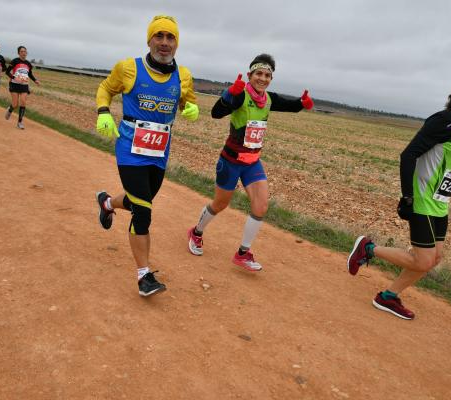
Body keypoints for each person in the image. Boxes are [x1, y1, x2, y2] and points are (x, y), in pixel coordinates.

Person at [347, 72, 451, 320]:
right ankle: (368, 248)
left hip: (440, 203)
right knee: (423, 260)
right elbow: (408, 155)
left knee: (434, 258)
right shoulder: (443, 121)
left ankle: (388, 296)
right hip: (422, 201)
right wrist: (407, 198)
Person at [94, 15, 199, 297]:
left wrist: (191, 108)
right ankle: (144, 276)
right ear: (149, 39)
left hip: (159, 151)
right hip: (130, 148)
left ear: (177, 43)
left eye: (171, 38)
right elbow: (105, 88)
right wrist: (103, 111)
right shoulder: (129, 68)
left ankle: (107, 203)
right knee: (143, 211)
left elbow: (189, 99)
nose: (164, 43)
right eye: (159, 36)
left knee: (140, 200)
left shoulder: (183, 75)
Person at [186, 54, 314, 271]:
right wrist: (228, 96)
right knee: (220, 204)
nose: (263, 78)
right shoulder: (240, 96)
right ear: (250, 75)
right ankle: (196, 232)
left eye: (267, 75)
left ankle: (243, 253)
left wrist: (302, 103)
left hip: (253, 162)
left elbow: (289, 105)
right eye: (259, 74)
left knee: (261, 205)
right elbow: (216, 113)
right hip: (231, 161)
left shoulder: (269, 99)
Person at [5, 46, 40, 129]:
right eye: (22, 51)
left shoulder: (28, 64)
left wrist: (35, 80)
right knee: (15, 104)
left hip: (24, 85)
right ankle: (10, 109)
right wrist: (14, 78)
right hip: (14, 84)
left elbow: (30, 74)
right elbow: (7, 72)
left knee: (23, 102)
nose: (24, 53)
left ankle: (20, 122)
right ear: (18, 53)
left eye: (25, 51)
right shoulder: (15, 61)